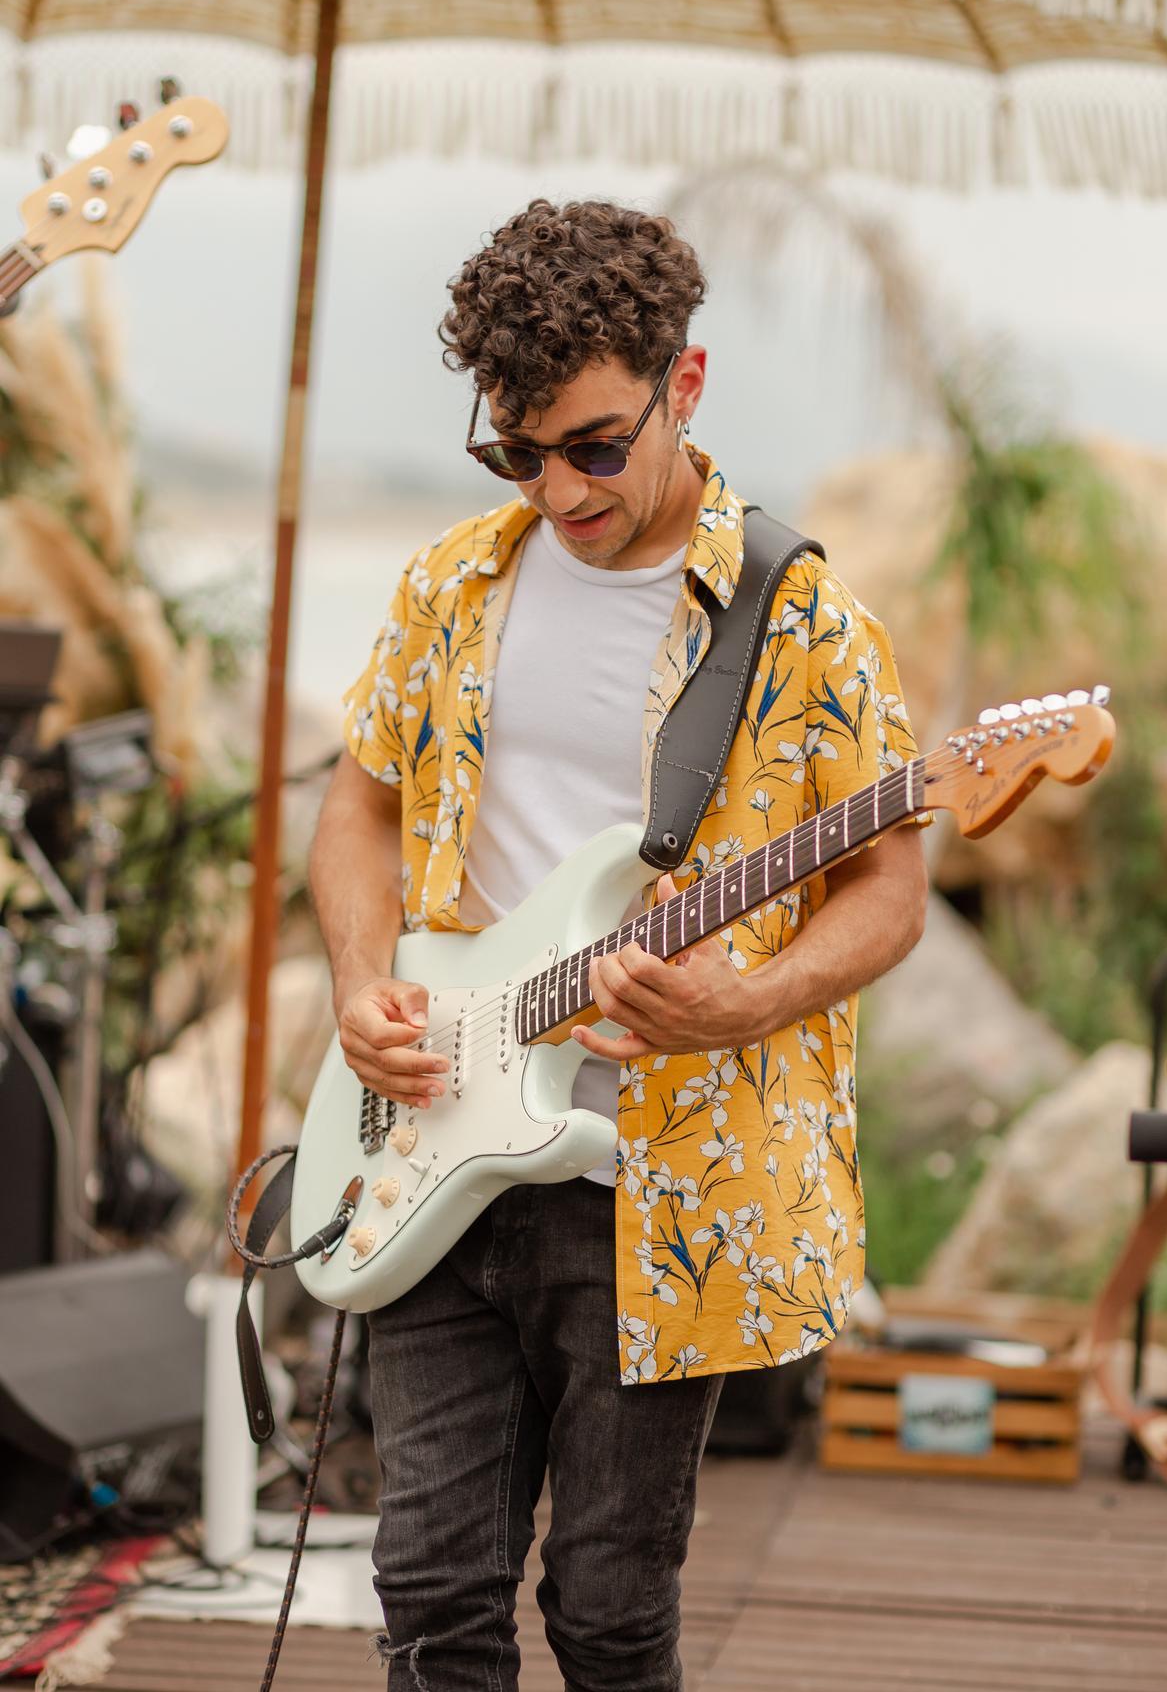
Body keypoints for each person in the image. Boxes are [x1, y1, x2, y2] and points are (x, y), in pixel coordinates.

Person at [309, 198, 928, 1691]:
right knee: (429, 1595)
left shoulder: (806, 627)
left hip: (668, 1182)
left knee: (605, 1609)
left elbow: (890, 888)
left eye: (593, 445)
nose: (558, 491)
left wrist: (747, 1001)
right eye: (516, 453)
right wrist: (354, 985)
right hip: (439, 1138)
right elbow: (358, 809)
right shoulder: (455, 580)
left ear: (686, 384)